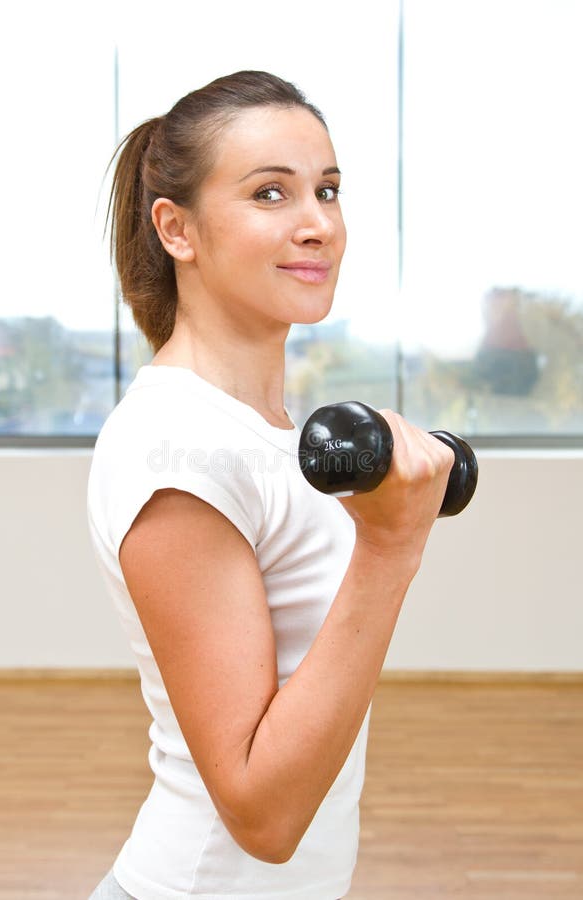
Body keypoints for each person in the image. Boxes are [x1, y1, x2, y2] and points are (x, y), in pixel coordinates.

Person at [86, 70, 454, 900]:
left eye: (327, 189)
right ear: (176, 229)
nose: (318, 223)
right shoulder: (177, 450)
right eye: (270, 194)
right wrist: (390, 547)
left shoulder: (262, 431)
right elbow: (262, 815)